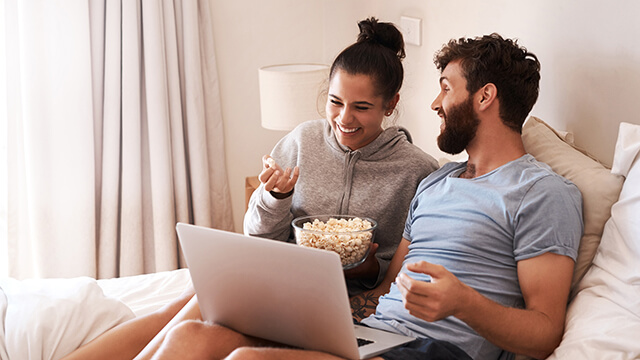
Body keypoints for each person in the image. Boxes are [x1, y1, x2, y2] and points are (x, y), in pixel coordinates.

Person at [63, 33, 583, 360]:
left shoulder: (541, 193)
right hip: (371, 329)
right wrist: (345, 305)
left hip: (436, 348)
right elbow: (388, 286)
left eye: (446, 87)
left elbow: (543, 333)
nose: (436, 102)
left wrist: (464, 301)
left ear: (485, 97)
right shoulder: (437, 183)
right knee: (191, 338)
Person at [244, 17, 438, 296]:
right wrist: (274, 198)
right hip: (283, 282)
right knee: (192, 311)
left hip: (349, 300)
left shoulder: (417, 171)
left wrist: (371, 269)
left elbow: (414, 266)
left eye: (361, 107)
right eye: (335, 102)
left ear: (390, 104)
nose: (344, 118)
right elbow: (258, 239)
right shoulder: (302, 140)